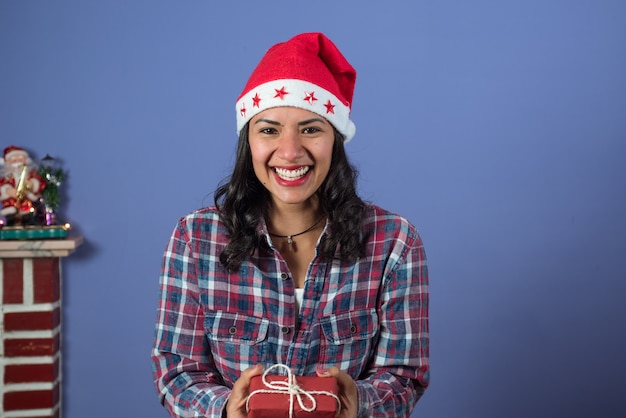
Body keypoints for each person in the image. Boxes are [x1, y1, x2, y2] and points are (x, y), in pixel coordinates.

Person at [151, 32, 429, 418]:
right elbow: (177, 374)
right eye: (269, 129)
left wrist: (359, 402)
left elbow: (404, 376)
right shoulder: (195, 240)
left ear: (336, 137)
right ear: (249, 140)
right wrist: (225, 409)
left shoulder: (395, 242)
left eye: (311, 128)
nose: (290, 151)